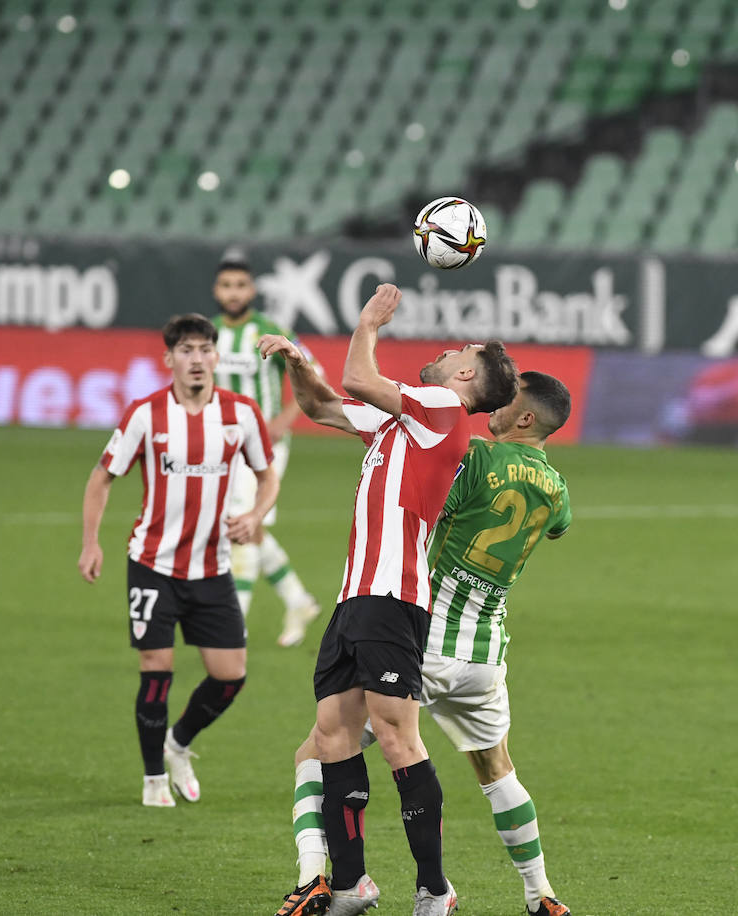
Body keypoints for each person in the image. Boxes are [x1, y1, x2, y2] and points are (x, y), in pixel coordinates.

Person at [257, 283, 519, 916]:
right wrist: (299, 365)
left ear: (464, 375)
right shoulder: (413, 420)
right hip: (356, 596)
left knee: (398, 739)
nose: (444, 351)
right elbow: (326, 406)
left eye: (457, 350)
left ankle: (435, 888)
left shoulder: (441, 408)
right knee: (332, 734)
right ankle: (351, 885)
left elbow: (358, 374)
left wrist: (368, 322)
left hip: (393, 595)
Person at [285, 372, 576, 916]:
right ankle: (542, 895)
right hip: (485, 653)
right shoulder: (557, 489)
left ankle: (321, 878)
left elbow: (429, 485)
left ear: (526, 417)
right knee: (498, 770)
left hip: (422, 640)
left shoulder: (477, 459)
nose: (498, 402)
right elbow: (558, 525)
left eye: (509, 398)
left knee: (321, 747)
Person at [78, 314, 279, 806]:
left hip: (212, 567)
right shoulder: (146, 415)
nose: (196, 359)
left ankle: (179, 743)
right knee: (156, 668)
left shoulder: (241, 414)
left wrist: (255, 515)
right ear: (168, 359)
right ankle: (152, 778)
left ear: (216, 357)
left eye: (204, 349)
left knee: (231, 675)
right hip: (153, 564)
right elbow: (102, 477)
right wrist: (91, 542)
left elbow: (268, 475)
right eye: (185, 350)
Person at [211, 247, 323, 648]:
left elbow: (313, 372)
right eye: (227, 285)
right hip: (220, 445)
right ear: (216, 290)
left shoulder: (271, 330)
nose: (234, 292)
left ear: (252, 288)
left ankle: (232, 623)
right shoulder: (209, 334)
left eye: (241, 284)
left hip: (263, 445)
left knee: (239, 524)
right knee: (249, 526)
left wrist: (284, 418)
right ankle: (298, 600)